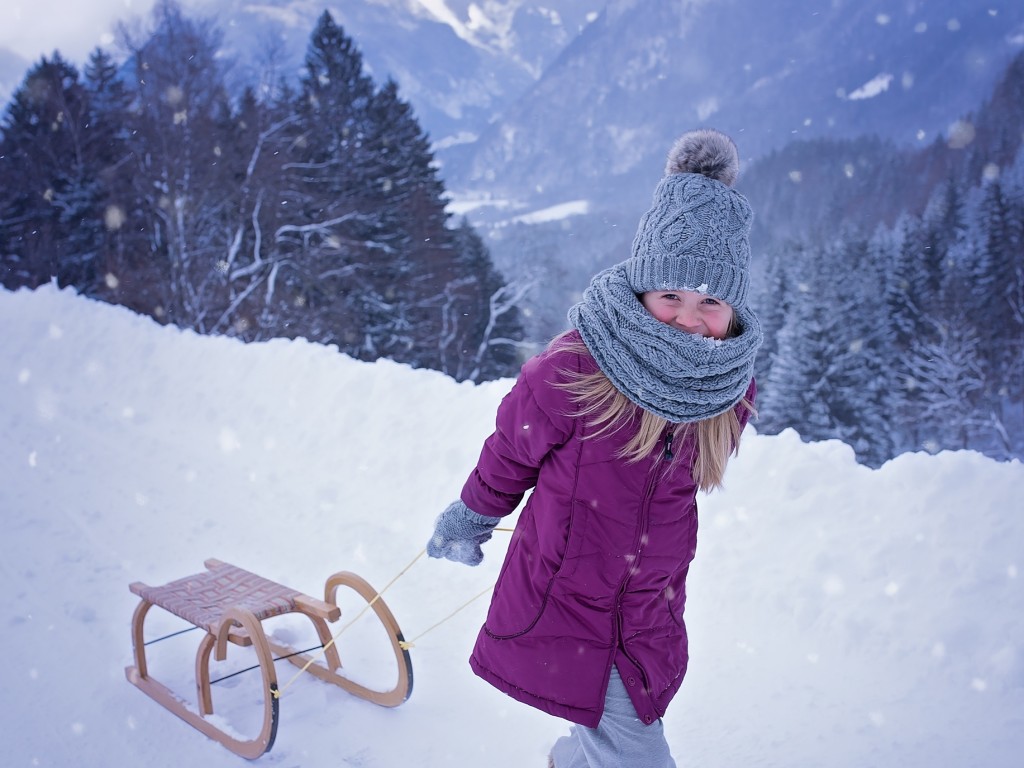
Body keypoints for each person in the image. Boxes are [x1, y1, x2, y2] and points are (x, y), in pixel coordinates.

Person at [427, 128, 762, 768]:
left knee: (616, 726)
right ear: (641, 290)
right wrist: (472, 516)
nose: (688, 319)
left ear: (733, 309)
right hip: (573, 599)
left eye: (710, 302)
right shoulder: (577, 370)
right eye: (670, 296)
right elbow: (510, 453)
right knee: (633, 745)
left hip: (649, 602)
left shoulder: (724, 391)